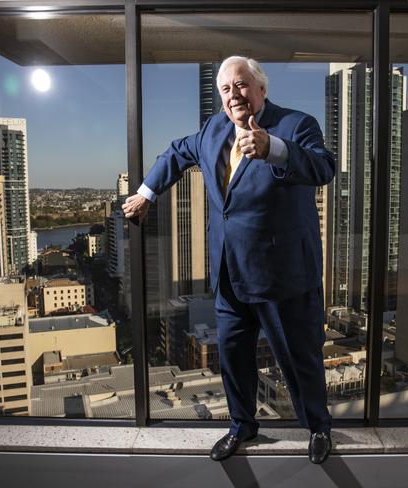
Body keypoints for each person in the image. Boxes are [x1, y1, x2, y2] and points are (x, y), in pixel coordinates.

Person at [122, 56, 336, 464]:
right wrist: (146, 194)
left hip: (283, 277)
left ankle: (318, 427)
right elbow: (175, 153)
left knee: (298, 359)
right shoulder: (214, 128)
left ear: (261, 88)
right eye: (226, 89)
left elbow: (323, 167)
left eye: (241, 85)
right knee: (233, 358)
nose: (234, 95)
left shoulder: (296, 125)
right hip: (228, 274)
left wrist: (273, 149)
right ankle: (242, 426)